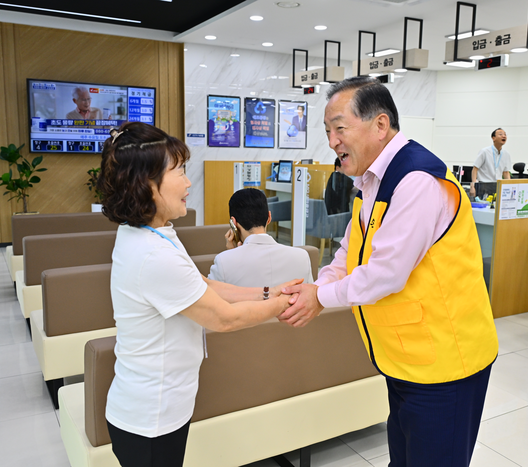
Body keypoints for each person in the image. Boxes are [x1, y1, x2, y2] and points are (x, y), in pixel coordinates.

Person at [279, 77, 499, 467]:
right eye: (327, 131)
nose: (332, 141)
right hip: (405, 361)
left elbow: (386, 273)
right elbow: (350, 251)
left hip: (445, 367)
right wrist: (319, 286)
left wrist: (320, 298)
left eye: (340, 128)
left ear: (380, 125)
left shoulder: (415, 181)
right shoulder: (371, 182)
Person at [97, 122, 299, 467]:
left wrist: (269, 292)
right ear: (147, 184)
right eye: (178, 171)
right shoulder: (153, 254)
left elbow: (203, 284)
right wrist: (287, 302)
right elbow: (224, 318)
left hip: (159, 407)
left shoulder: (152, 233)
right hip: (150, 418)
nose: (189, 183)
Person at [208, 188, 315, 287]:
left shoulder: (223, 262)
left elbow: (209, 297)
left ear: (234, 223)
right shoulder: (302, 257)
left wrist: (231, 253)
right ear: (269, 217)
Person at [469, 128, 511, 198]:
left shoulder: (506, 154)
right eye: (500, 134)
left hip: (498, 186)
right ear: (493, 138)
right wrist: (473, 185)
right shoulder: (484, 151)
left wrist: (510, 187)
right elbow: (475, 169)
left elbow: (506, 172)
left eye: (505, 134)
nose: (504, 136)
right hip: (484, 185)